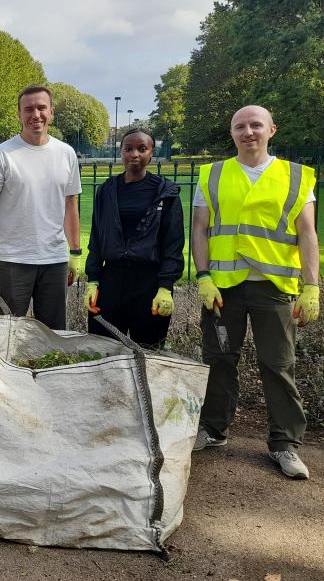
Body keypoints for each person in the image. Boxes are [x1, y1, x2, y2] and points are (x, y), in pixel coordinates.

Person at [191, 105, 319, 480]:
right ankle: (214, 430)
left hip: (274, 288)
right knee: (218, 358)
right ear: (232, 133)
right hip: (223, 289)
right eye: (240, 126)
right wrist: (202, 275)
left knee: (278, 364)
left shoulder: (295, 177)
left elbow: (307, 233)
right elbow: (200, 229)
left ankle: (285, 444)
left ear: (271, 130)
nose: (248, 132)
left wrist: (311, 285)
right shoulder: (212, 174)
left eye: (255, 125)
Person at [0, 85, 82, 329]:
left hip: (54, 260)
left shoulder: (66, 153)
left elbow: (70, 206)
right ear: (19, 114)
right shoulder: (2, 154)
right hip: (12, 260)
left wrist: (75, 253)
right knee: (6, 333)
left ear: (51, 111)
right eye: (28, 109)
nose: (35, 115)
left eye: (41, 108)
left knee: (54, 335)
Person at [83, 128, 184, 348]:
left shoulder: (165, 192)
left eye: (142, 149)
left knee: (147, 353)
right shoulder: (107, 190)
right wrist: (93, 279)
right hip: (112, 281)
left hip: (149, 283)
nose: (134, 154)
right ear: (121, 152)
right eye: (128, 149)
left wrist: (166, 286)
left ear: (151, 153)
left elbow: (173, 242)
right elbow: (97, 238)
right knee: (102, 350)